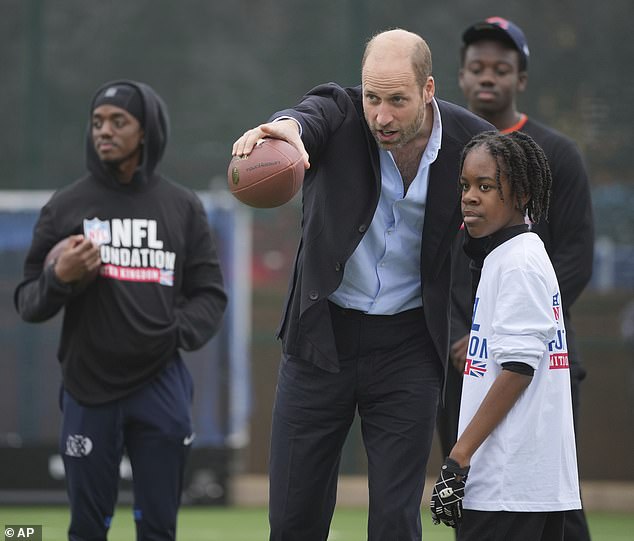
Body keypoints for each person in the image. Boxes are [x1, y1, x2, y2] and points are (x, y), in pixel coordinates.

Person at [232, 29, 492, 541]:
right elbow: (307, 117)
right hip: (320, 340)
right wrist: (283, 131)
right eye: (373, 98)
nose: (382, 116)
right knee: (292, 519)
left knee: (396, 522)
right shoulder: (341, 112)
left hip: (409, 348)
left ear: (429, 90)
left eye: (398, 100)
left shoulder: (475, 143)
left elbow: (510, 231)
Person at [14, 80, 227, 540]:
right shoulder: (66, 205)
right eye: (96, 122)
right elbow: (27, 301)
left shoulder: (183, 207)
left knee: (158, 528)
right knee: (89, 527)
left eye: (118, 121)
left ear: (146, 130)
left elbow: (210, 295)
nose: (103, 131)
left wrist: (172, 333)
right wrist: (60, 278)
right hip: (89, 387)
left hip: (160, 385)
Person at [435, 16, 594, 540]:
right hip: (490, 417)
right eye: (465, 186)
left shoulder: (522, 256)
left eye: (485, 185)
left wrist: (457, 460)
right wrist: (461, 333)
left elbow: (521, 362)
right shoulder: (498, 249)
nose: (470, 197)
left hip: (513, 471)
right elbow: (444, 265)